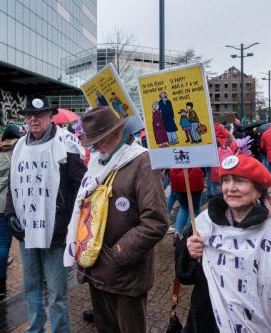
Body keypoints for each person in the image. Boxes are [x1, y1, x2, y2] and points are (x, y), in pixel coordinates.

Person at [176, 154, 271, 333]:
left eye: (240, 181)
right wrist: (188, 252)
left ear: (258, 190)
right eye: (226, 180)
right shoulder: (204, 224)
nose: (230, 188)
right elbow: (187, 276)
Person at [66, 106, 169, 333]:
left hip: (124, 274)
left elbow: (156, 221)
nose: (94, 146)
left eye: (99, 139)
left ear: (117, 132)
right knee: (105, 327)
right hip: (96, 268)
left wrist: (117, 254)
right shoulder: (99, 162)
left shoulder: (142, 161)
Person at [7, 95, 86, 332]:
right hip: (27, 230)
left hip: (56, 232)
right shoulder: (19, 146)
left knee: (57, 291)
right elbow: (14, 184)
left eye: (39, 115)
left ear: (50, 117)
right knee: (31, 286)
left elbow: (79, 187)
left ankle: (60, 329)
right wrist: (11, 214)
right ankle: (36, 328)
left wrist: (68, 223)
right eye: (30, 115)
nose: (33, 119)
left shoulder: (67, 144)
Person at [0, 125, 21, 299]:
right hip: (23, 205)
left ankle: (1, 284)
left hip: (3, 206)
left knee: (3, 244)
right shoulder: (24, 151)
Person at [168, 168, 204, 235]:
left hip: (177, 180)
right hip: (194, 179)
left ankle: (177, 233)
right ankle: (187, 234)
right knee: (195, 210)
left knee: (183, 208)